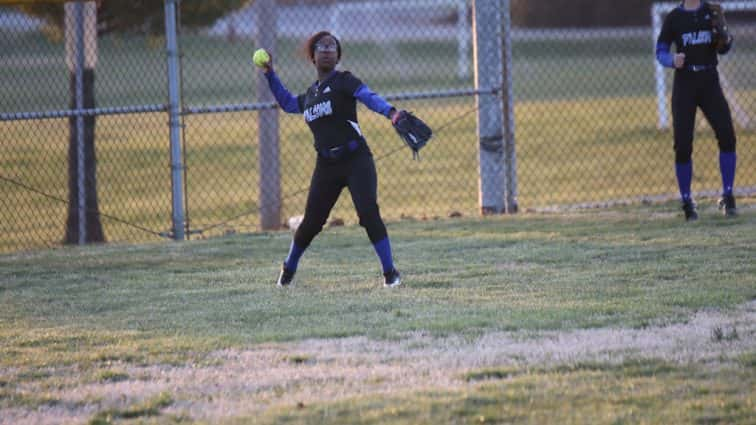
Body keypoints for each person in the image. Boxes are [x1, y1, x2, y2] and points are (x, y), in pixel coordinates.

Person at [256, 31, 402, 287]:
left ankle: (390, 273)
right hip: (326, 165)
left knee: (368, 213)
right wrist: (270, 73)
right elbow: (289, 103)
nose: (326, 49)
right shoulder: (311, 94)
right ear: (312, 57)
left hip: (356, 158)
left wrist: (390, 112)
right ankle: (287, 271)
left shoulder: (344, 81)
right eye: (321, 46)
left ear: (338, 56)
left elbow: (368, 96)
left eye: (332, 46)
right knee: (311, 223)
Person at [656, 0, 737, 221]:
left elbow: (725, 47)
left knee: (727, 135)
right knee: (683, 144)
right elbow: (660, 49)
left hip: (709, 81)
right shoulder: (674, 17)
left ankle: (728, 195)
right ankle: (687, 200)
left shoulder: (711, 11)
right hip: (685, 84)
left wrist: (725, 39)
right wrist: (671, 59)